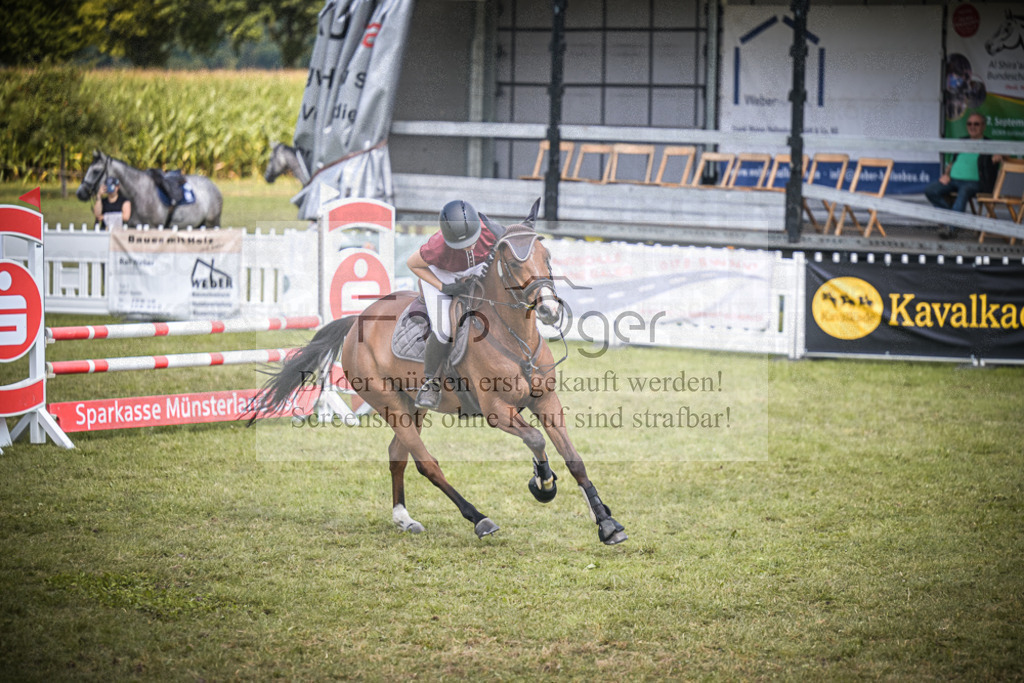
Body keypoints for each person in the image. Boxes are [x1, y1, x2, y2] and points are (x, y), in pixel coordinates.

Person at [406, 199, 497, 410]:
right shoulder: (437, 246)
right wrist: (444, 286)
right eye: (461, 244)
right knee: (445, 330)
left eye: (471, 241)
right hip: (442, 275)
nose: (468, 246)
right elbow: (413, 264)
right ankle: (431, 382)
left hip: (476, 269)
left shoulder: (491, 230)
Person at [924, 113, 1002, 239]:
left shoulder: (989, 144)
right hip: (953, 180)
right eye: (969, 124)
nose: (972, 127)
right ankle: (952, 217)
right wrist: (947, 174)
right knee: (930, 190)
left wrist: (1000, 156)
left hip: (975, 183)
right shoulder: (962, 141)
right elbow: (952, 162)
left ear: (983, 126)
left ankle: (951, 228)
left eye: (976, 124)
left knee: (964, 191)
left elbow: (1009, 153)